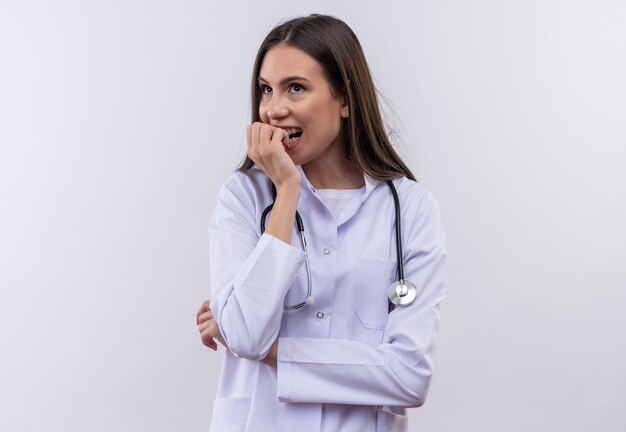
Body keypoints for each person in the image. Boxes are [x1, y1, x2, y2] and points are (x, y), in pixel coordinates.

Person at [195, 14, 446, 432]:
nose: (274, 109)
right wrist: (287, 191)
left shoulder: (411, 209)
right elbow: (244, 334)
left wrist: (274, 352)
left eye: (296, 87)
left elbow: (409, 377)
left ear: (345, 99)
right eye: (266, 89)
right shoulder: (244, 197)